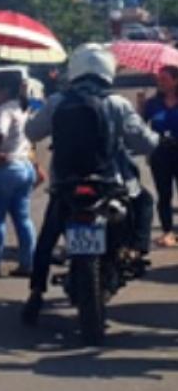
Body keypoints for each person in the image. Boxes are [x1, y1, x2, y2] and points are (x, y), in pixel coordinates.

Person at [23, 44, 158, 325]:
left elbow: (32, 131)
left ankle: (35, 293)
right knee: (144, 200)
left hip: (65, 183)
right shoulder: (117, 103)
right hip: (109, 182)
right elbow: (144, 143)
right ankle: (136, 250)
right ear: (107, 71)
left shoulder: (58, 101)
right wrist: (156, 139)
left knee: (47, 238)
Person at [0, 70, 39, 278]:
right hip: (24, 165)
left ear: (5, 90)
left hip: (6, 167)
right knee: (23, 218)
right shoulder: (23, 108)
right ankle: (28, 262)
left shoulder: (5, 110)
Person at [141, 65, 178, 247]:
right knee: (164, 194)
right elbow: (140, 127)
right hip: (160, 154)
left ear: (175, 81)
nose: (160, 83)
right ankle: (167, 232)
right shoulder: (152, 103)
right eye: (159, 79)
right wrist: (140, 109)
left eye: (164, 79)